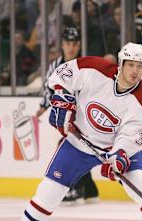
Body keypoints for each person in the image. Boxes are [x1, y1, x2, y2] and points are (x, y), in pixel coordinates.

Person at [0, 42, 142, 221]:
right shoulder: (94, 69)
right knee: (49, 190)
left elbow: (134, 135)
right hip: (79, 143)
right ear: (121, 64)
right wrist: (63, 99)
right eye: (131, 65)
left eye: (141, 66)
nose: (135, 71)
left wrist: (119, 157)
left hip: (117, 149)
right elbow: (62, 74)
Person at [37, 27, 99, 205]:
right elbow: (48, 87)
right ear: (62, 45)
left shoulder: (86, 64)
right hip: (65, 114)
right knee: (78, 147)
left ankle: (76, 190)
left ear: (79, 45)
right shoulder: (55, 65)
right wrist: (44, 105)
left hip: (84, 115)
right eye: (67, 44)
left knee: (71, 147)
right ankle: (90, 190)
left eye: (74, 44)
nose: (70, 48)